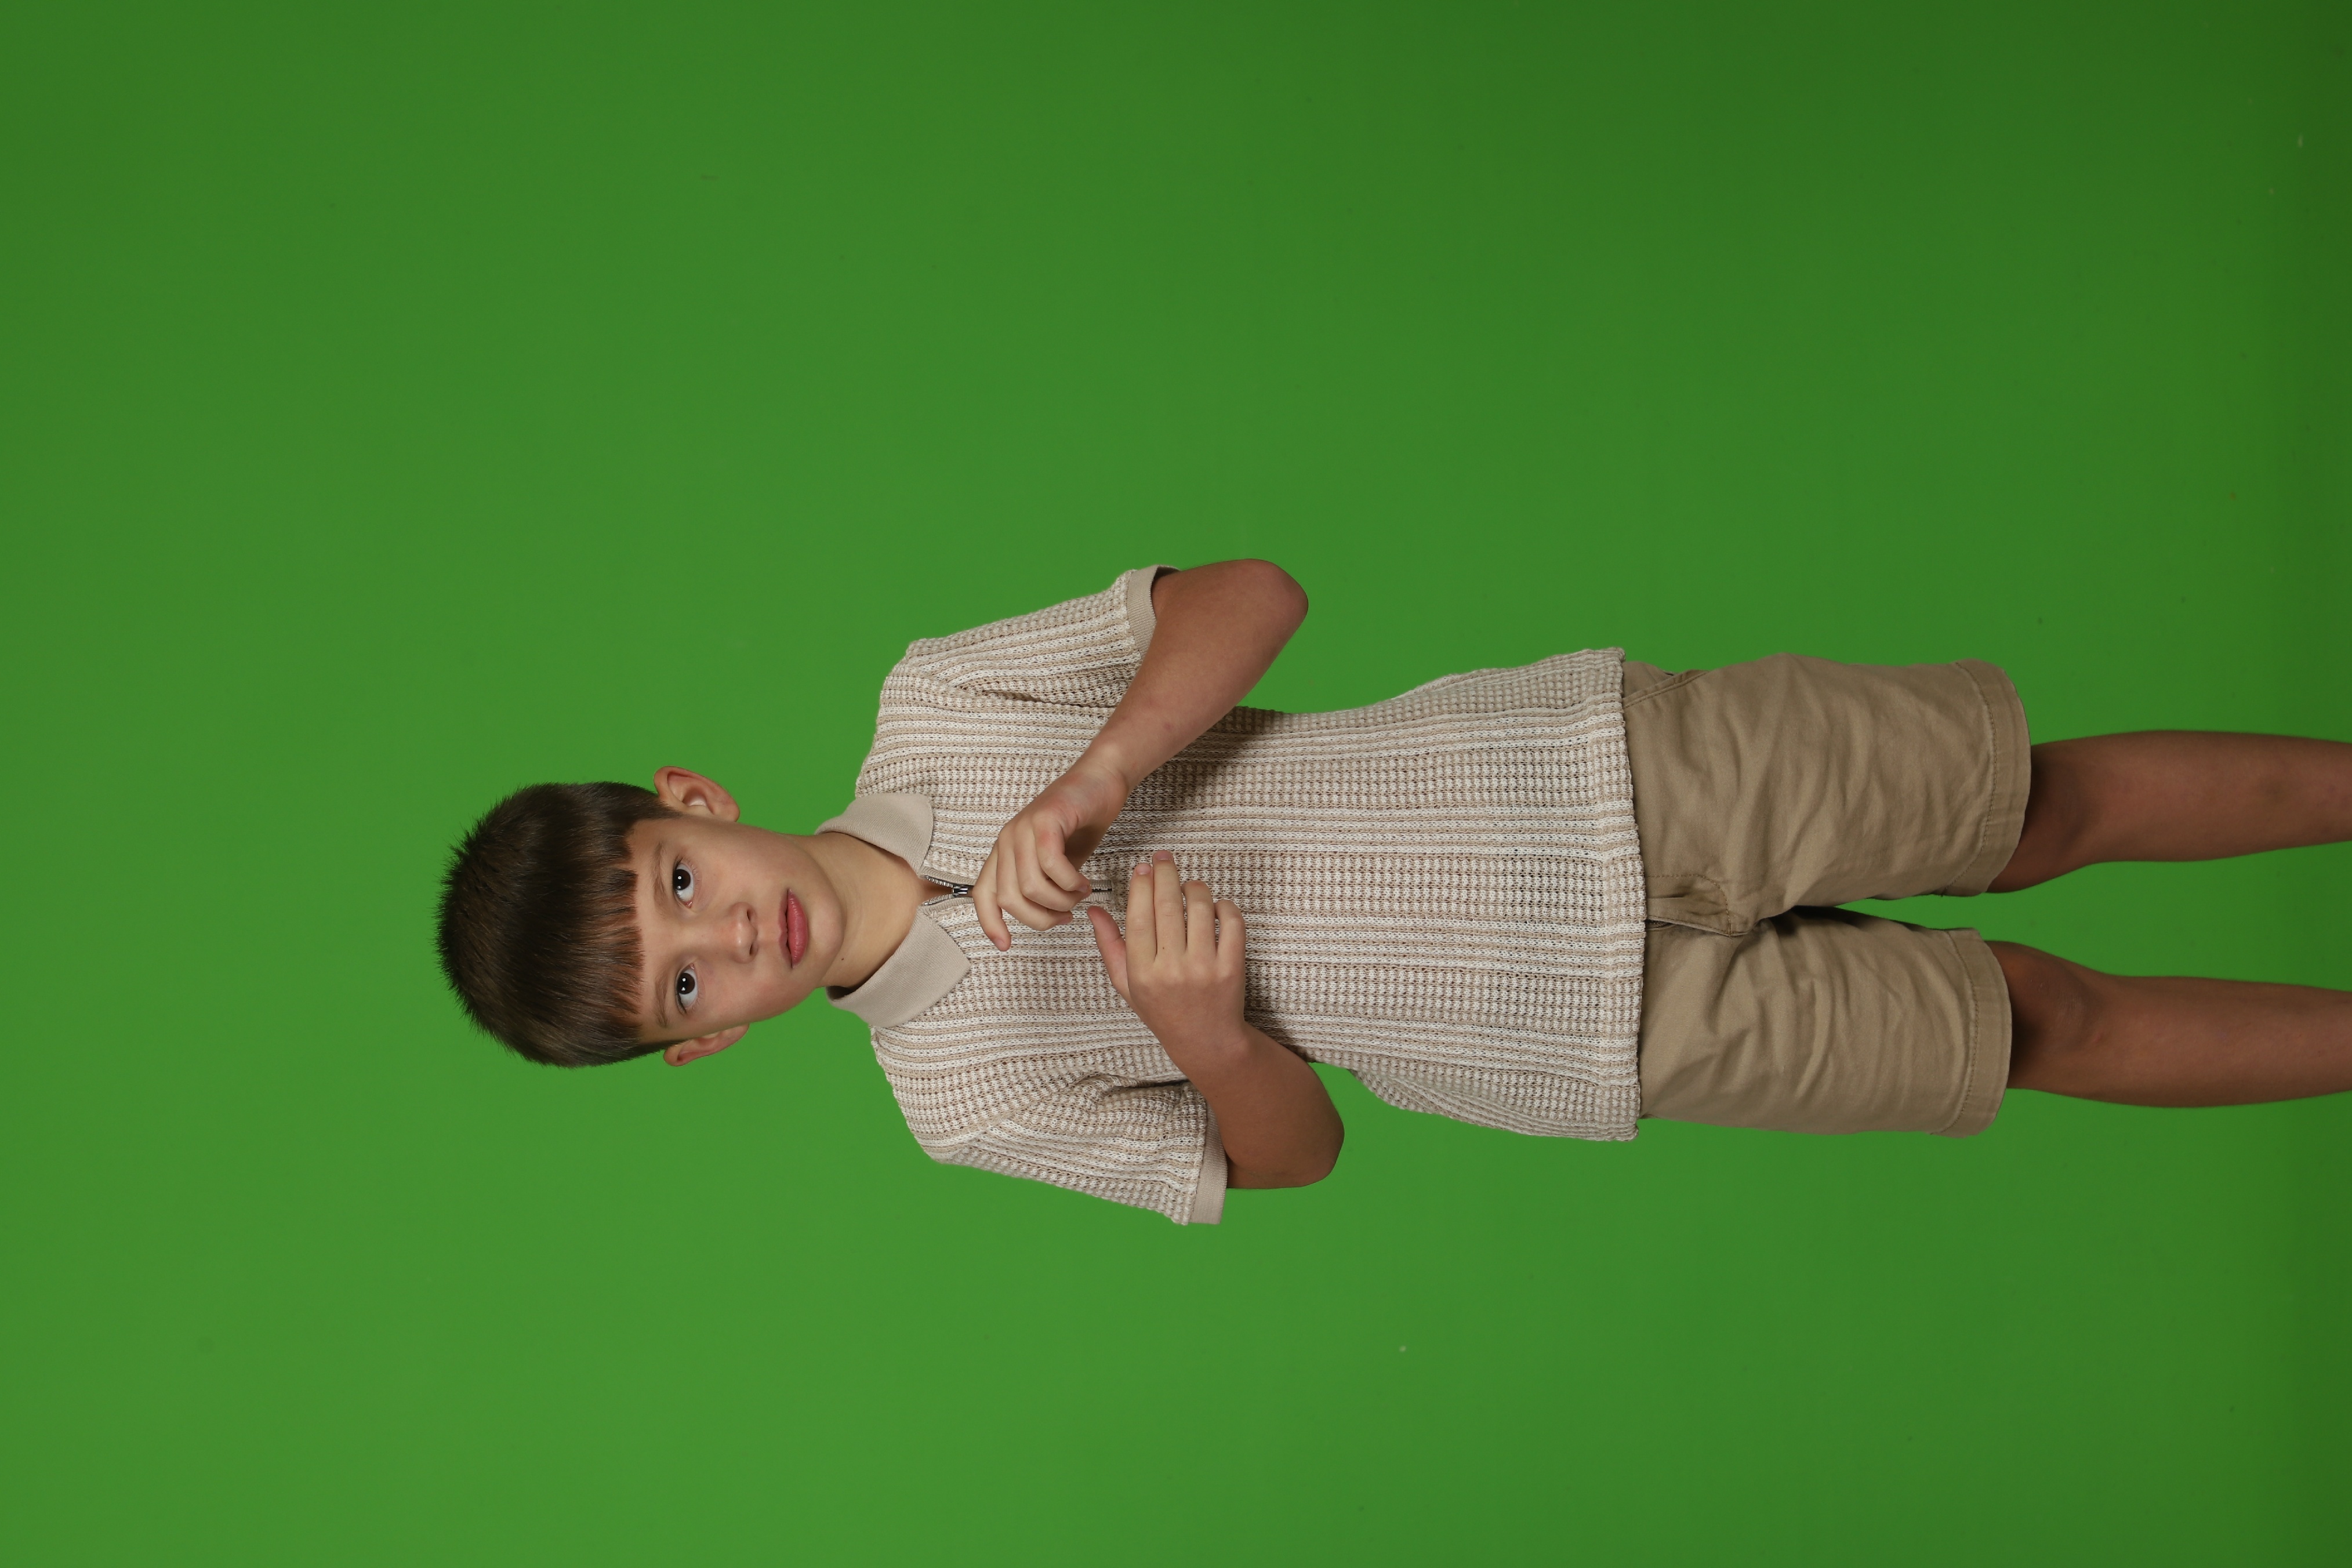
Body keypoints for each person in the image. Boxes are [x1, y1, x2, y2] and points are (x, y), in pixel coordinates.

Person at [435, 561, 2352, 1223]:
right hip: (1595, 1030)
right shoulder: (960, 1100)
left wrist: (1097, 776)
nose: (723, 935)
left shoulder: (940, 698)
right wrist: (1208, 1035)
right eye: (682, 985)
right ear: (700, 1047)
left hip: (1603, 771)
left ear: (694, 802)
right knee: (2039, 1024)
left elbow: (1254, 598)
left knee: (2043, 804)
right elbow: (1295, 1164)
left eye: (676, 881)